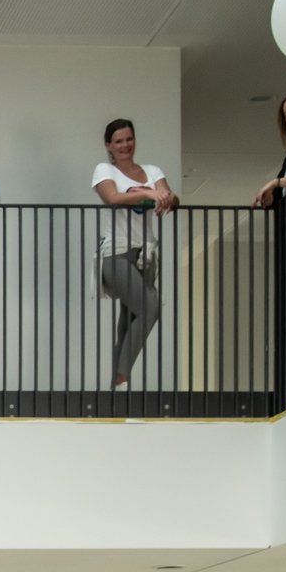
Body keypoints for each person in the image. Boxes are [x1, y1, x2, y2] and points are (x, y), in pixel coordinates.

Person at [91, 118, 179, 389]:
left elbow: (171, 198)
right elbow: (112, 198)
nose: (125, 145)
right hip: (115, 252)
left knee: (129, 319)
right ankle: (122, 378)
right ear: (109, 145)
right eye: (118, 141)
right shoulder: (105, 169)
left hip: (146, 253)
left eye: (129, 139)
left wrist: (165, 196)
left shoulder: (152, 170)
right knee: (149, 307)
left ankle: (116, 390)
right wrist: (152, 194)